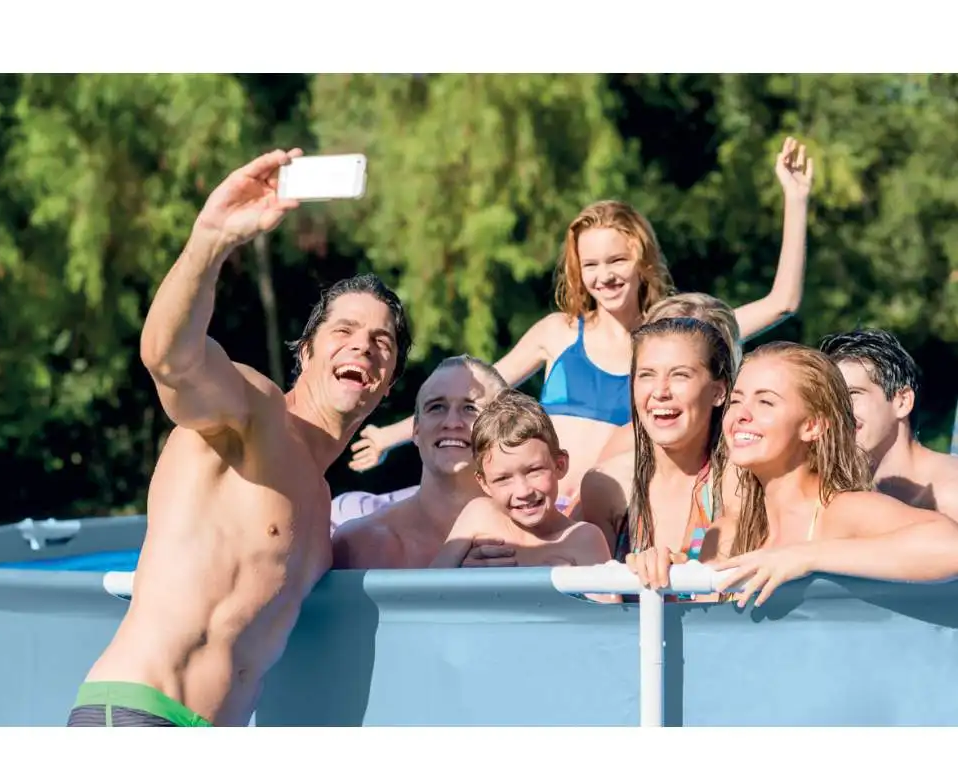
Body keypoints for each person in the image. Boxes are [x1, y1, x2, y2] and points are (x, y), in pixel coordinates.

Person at [65, 148, 412, 728]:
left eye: (382, 342)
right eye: (344, 330)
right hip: (141, 715)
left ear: (388, 382)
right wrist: (210, 241)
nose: (363, 345)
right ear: (305, 352)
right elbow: (169, 359)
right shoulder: (254, 412)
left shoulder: (319, 508)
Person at [349, 137, 814, 505]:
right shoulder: (557, 333)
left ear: (642, 261)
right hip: (539, 508)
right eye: (591, 265)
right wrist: (390, 436)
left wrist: (795, 200)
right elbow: (475, 393)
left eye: (616, 260)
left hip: (617, 514)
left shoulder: (677, 337)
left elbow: (782, 302)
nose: (604, 276)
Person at [632, 342, 958, 607]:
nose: (741, 414)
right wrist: (667, 576)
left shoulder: (842, 511)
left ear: (812, 426)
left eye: (765, 402)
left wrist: (805, 557)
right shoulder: (729, 534)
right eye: (736, 400)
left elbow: (950, 547)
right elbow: (714, 637)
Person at [574, 302, 742, 557]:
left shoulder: (738, 481)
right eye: (647, 375)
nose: (660, 391)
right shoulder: (608, 486)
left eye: (680, 375)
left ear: (718, 392)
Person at [331, 355, 510, 569]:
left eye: (470, 408)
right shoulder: (358, 545)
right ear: (416, 430)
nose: (451, 422)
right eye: (437, 407)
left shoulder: (535, 539)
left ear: (505, 429)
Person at [431, 390, 612, 570]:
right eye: (503, 478)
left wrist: (561, 584)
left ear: (560, 465)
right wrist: (463, 576)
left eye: (534, 471)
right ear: (484, 483)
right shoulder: (479, 516)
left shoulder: (583, 539)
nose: (523, 491)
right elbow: (431, 582)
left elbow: (605, 590)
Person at [818, 328, 958, 520]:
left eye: (852, 394)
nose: (838, 411)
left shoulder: (949, 495)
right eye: (831, 399)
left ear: (902, 402)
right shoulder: (841, 497)